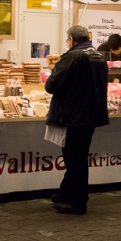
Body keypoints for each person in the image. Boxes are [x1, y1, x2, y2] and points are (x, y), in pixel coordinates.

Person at [45, 25, 109, 215]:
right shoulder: (98, 56)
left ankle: (78, 202)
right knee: (77, 157)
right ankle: (66, 192)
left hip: (73, 114)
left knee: (75, 159)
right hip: (91, 114)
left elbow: (51, 85)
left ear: (71, 40)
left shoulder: (73, 56)